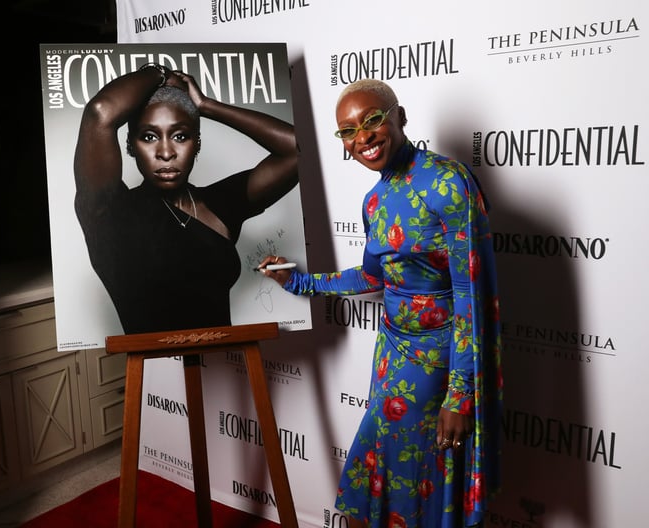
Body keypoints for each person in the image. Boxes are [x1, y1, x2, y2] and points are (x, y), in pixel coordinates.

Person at [259, 79, 502, 528]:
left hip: (435, 361)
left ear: (399, 117)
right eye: (348, 131)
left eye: (372, 120)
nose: (363, 138)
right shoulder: (374, 200)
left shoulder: (449, 184)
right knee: (386, 481)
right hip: (390, 351)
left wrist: (460, 395)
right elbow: (373, 276)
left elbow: (471, 295)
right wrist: (299, 282)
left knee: (405, 477)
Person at [74, 62, 299, 334]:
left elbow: (295, 151)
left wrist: (206, 106)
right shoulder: (109, 211)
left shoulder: (218, 204)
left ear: (197, 143)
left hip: (225, 360)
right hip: (157, 368)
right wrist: (160, 73)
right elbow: (100, 112)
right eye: (149, 137)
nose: (166, 152)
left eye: (180, 136)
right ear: (131, 145)